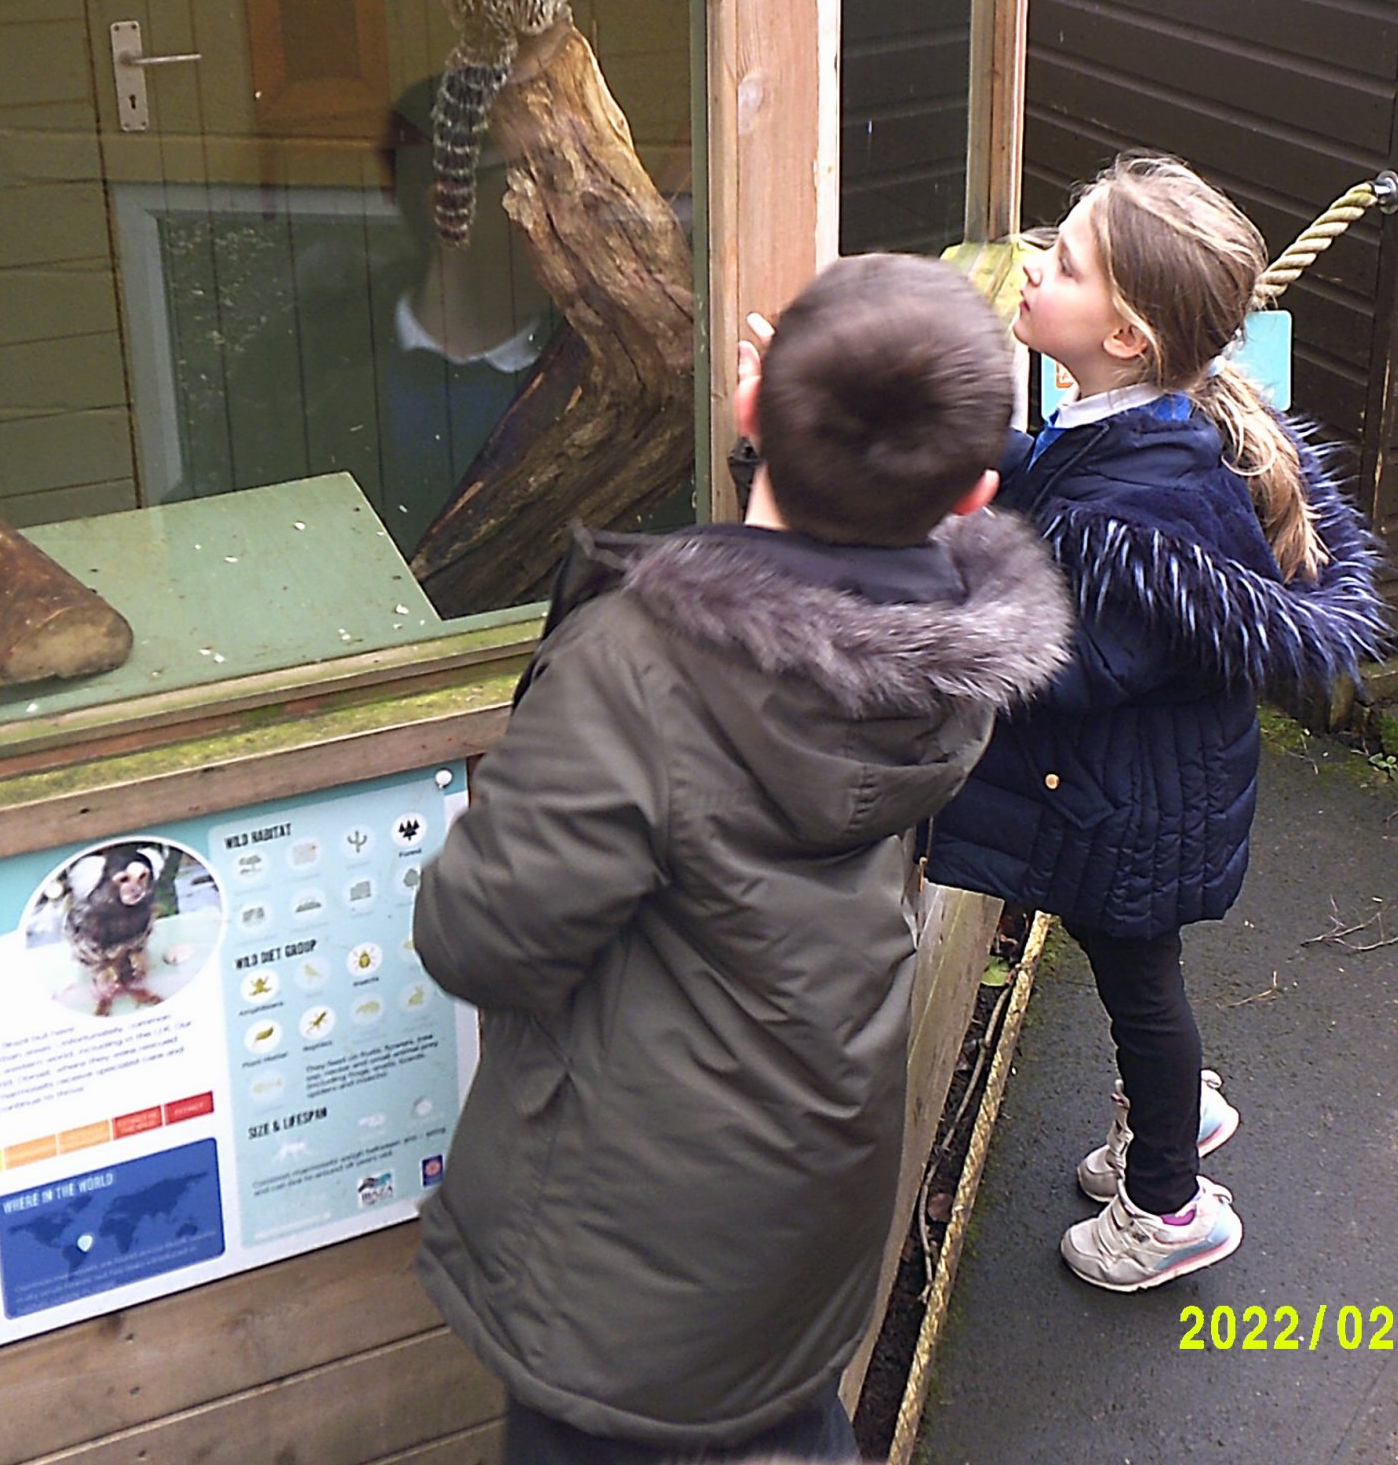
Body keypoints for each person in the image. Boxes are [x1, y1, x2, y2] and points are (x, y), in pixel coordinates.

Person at [411, 253, 1074, 1464]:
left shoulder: (637, 666)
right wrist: (776, 462)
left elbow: (480, 937)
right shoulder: (944, 665)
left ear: (752, 405)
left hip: (628, 1244)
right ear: (977, 492)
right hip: (810, 1183)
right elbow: (823, 613)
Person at [924, 154, 1390, 1292]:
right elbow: (1052, 476)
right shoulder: (1125, 427)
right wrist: (977, 454)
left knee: (1142, 987)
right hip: (1133, 789)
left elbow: (1068, 667)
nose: (1034, 265)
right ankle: (1174, 1111)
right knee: (1139, 981)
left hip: (1130, 809)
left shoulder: (1149, 510)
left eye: (1065, 262)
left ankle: (1170, 1205)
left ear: (1126, 336)